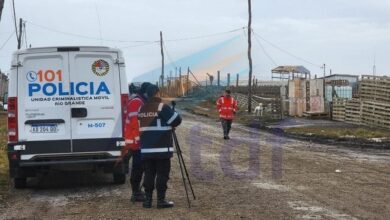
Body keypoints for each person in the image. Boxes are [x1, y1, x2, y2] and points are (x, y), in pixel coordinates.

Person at [138, 84, 182, 209]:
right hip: (162, 148)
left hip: (146, 149)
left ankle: (147, 201)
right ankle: (161, 200)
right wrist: (174, 111)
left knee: (149, 174)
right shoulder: (162, 107)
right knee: (162, 174)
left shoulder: (142, 108)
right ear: (157, 93)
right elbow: (176, 121)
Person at [124, 82, 151, 202]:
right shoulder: (137, 102)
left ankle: (138, 192)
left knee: (141, 167)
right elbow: (136, 124)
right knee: (138, 167)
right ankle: (135, 193)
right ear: (146, 92)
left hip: (138, 142)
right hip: (137, 143)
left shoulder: (139, 101)